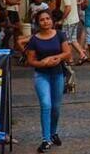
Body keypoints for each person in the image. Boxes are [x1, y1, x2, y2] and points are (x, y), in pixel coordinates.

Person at [26, 9, 71, 153]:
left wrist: (57, 58)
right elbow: (30, 60)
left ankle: (53, 132)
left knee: (56, 107)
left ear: (52, 20)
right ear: (38, 23)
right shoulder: (34, 39)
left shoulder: (59, 35)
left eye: (48, 19)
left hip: (57, 74)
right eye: (42, 20)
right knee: (46, 104)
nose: (45, 22)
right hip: (41, 75)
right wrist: (43, 63)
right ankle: (45, 140)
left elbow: (67, 52)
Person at [55, 0, 87, 65]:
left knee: (67, 41)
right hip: (74, 19)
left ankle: (69, 59)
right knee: (73, 40)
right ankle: (82, 55)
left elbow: (68, 7)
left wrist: (62, 19)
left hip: (68, 21)